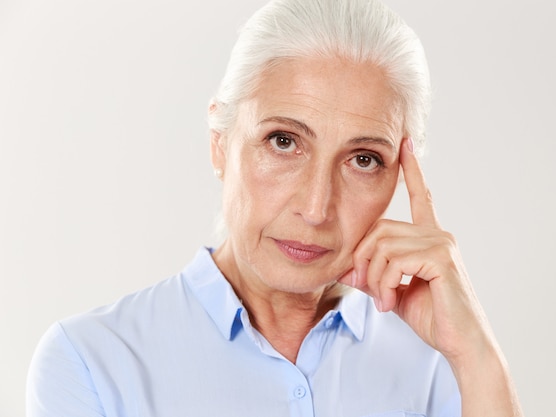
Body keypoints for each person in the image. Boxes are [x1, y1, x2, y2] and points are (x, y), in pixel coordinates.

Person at [26, 0, 524, 416]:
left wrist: (476, 356)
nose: (315, 208)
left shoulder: (437, 361)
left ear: (399, 174)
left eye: (363, 159)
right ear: (220, 142)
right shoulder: (92, 361)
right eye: (283, 141)